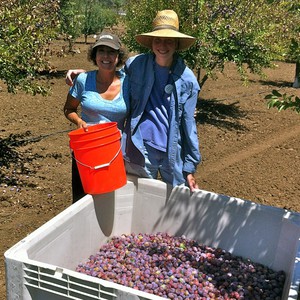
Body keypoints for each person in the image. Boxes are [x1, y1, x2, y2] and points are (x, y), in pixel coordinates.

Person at [65, 10, 201, 192]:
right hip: (141, 148)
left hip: (172, 152)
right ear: (151, 42)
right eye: (158, 39)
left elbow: (189, 125)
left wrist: (189, 167)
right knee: (140, 199)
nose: (163, 45)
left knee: (174, 205)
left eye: (169, 40)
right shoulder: (136, 65)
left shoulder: (188, 80)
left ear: (176, 44)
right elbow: (112, 73)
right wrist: (86, 75)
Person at [63, 31, 129, 203]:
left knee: (110, 198)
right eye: (101, 51)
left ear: (118, 56)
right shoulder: (83, 80)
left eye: (111, 51)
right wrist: (78, 121)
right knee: (82, 199)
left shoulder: (128, 82)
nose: (106, 56)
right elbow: (69, 109)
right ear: (94, 55)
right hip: (87, 150)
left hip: (114, 151)